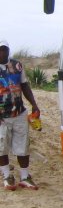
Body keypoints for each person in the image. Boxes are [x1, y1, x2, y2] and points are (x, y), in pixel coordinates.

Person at [0, 40, 39, 190]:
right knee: (2, 147)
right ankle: (7, 177)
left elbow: (24, 85)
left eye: (5, 49)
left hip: (19, 112)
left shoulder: (17, 65)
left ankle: (25, 177)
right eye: (0, 49)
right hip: (2, 116)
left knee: (23, 146)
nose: (3, 52)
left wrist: (34, 105)